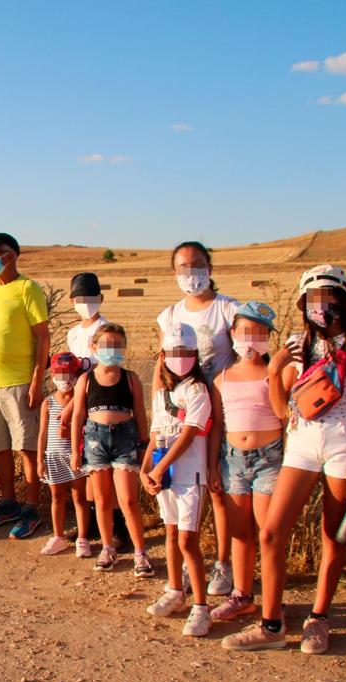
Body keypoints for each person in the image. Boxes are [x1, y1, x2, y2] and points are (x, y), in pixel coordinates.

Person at [222, 265, 346, 654]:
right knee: (271, 531)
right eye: (312, 300)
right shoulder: (296, 343)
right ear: (302, 303)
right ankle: (272, 624)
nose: (319, 307)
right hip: (301, 445)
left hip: (345, 447)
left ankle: (319, 618)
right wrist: (275, 371)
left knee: (332, 537)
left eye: (327, 298)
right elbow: (280, 411)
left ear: (342, 300)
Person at [156, 241, 239, 598]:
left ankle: (224, 564)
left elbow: (246, 355)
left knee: (219, 491)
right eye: (183, 267)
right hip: (182, 415)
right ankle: (188, 571)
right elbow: (163, 365)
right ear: (174, 273)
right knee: (182, 493)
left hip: (222, 411)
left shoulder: (228, 310)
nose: (191, 273)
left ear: (210, 267)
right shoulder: (170, 315)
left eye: (197, 265)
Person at [207, 301, 284, 623]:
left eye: (258, 333)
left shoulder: (275, 373)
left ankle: (271, 600)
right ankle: (242, 594)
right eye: (244, 332)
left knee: (268, 532)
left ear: (268, 337)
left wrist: (279, 372)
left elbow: (284, 415)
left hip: (269, 459)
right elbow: (218, 427)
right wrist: (213, 465)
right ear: (232, 335)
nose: (250, 340)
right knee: (240, 533)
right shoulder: (221, 379)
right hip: (232, 460)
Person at [0, 232, 51, 538]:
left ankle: (32, 508)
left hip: (20, 382)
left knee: (27, 448)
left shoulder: (27, 288)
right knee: (0, 449)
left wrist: (37, 379)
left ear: (12, 255)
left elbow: (43, 336)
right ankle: (8, 503)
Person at [143, 322, 214, 636]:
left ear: (195, 354)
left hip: (190, 475)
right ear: (163, 356)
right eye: (173, 352)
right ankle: (175, 592)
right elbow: (156, 435)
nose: (180, 357)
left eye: (186, 352)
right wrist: (146, 470)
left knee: (189, 542)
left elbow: (188, 436)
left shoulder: (197, 390)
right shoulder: (162, 394)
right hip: (165, 476)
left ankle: (201, 607)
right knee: (170, 535)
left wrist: (158, 469)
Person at [71, 323, 153, 576]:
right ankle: (107, 548)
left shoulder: (131, 378)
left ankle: (141, 553)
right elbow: (77, 416)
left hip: (125, 439)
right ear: (93, 347)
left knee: (128, 500)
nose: (111, 350)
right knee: (102, 500)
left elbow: (139, 412)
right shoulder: (85, 380)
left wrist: (143, 444)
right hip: (95, 439)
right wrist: (76, 450)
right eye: (106, 345)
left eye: (117, 345)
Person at [37, 353, 91, 557]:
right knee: (57, 497)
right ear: (52, 375)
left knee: (79, 497)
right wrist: (39, 460)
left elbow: (85, 426)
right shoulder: (48, 403)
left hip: (74, 456)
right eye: (59, 374)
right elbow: (42, 433)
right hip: (53, 456)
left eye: (69, 374)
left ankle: (83, 538)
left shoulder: (80, 402)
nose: (64, 379)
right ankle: (58, 537)